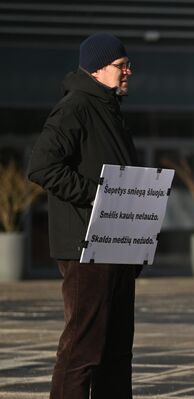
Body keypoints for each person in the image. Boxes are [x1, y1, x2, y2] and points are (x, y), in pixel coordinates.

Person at [27, 33, 139, 399]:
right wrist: (98, 195)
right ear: (96, 69)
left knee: (116, 351)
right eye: (121, 66)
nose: (128, 72)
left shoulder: (110, 111)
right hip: (84, 246)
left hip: (117, 245)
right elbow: (42, 167)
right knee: (83, 349)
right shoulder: (76, 106)